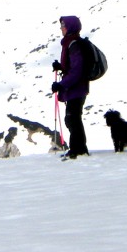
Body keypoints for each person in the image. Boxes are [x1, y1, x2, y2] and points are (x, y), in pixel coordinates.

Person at [51, 15, 89, 158]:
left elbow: (77, 70)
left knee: (73, 118)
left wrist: (61, 84)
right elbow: (72, 66)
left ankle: (78, 150)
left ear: (70, 27)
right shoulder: (70, 43)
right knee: (72, 118)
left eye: (63, 26)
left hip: (76, 88)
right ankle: (78, 149)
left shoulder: (73, 44)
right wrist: (61, 67)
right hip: (77, 87)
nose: (61, 28)